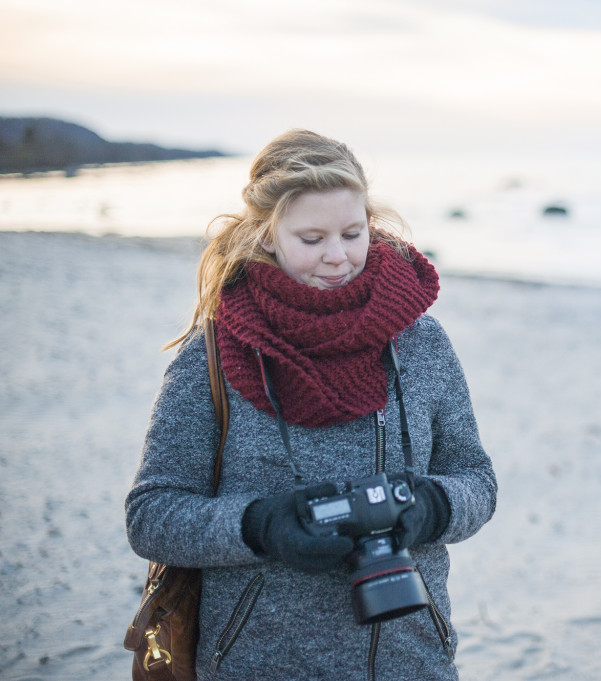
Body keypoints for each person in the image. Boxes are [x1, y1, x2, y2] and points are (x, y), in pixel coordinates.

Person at [126, 129, 497, 680]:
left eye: (353, 232)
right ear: (267, 235)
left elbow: (477, 481)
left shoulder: (421, 342)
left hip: (407, 659)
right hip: (257, 664)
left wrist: (432, 507)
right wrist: (262, 526)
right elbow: (152, 516)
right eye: (312, 238)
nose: (337, 257)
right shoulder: (213, 355)